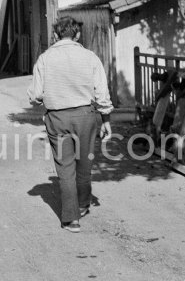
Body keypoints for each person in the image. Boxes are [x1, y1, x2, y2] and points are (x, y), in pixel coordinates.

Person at [27, 16, 113, 233]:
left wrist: (43, 98)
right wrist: (106, 119)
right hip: (86, 115)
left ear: (55, 35)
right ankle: (83, 204)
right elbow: (102, 93)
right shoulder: (90, 57)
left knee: (65, 168)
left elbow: (36, 95)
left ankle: (70, 219)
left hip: (58, 117)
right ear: (77, 35)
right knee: (85, 163)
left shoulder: (45, 59)